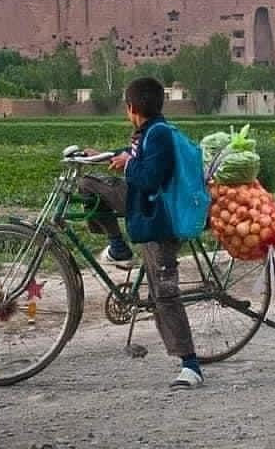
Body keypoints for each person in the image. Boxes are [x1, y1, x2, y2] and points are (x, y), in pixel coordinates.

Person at [83, 76, 203, 389]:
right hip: (142, 207)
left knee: (164, 294)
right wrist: (106, 156)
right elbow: (134, 155)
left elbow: (150, 176)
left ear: (132, 107)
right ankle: (117, 246)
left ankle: (190, 365)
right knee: (88, 184)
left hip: (158, 221)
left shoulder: (159, 134)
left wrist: (126, 164)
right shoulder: (146, 132)